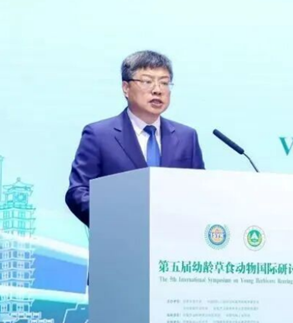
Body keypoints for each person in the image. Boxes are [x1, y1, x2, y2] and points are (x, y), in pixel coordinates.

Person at [65, 50, 205, 226]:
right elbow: (78, 192)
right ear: (126, 88)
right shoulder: (99, 135)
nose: (157, 90)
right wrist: (115, 220)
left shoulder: (186, 137)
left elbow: (200, 193)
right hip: (119, 236)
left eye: (164, 83)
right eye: (147, 82)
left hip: (173, 237)